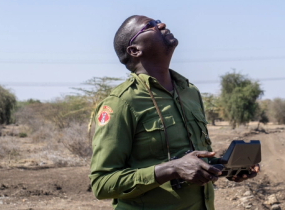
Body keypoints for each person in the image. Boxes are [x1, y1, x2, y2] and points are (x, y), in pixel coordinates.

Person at [89, 15, 260, 210]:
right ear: (135, 50)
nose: (161, 25)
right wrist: (172, 169)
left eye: (158, 21)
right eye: (150, 26)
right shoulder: (121, 103)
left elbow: (194, 160)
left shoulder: (189, 92)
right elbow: (102, 184)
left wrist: (228, 168)